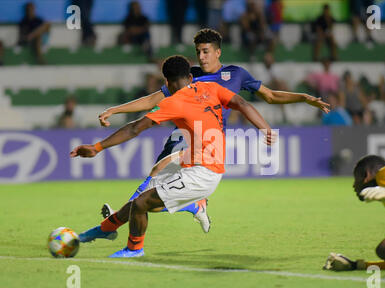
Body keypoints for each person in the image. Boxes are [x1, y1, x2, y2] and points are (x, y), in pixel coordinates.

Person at [97, 28, 330, 230]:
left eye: (206, 51)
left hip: (209, 143)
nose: (201, 56)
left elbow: (269, 96)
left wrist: (302, 97)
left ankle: (117, 221)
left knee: (156, 183)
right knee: (155, 178)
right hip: (184, 134)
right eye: (198, 51)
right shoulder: (190, 76)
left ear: (218, 52)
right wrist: (114, 110)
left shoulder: (236, 74)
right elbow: (151, 100)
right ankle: (141, 215)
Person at [70, 55, 275, 258]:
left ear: (166, 82)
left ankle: (134, 250)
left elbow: (135, 128)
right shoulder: (211, 88)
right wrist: (265, 128)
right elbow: (242, 103)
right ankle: (105, 229)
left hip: (203, 173)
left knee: (142, 203)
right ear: (190, 76)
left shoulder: (174, 102)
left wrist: (97, 147)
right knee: (141, 198)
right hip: (194, 159)